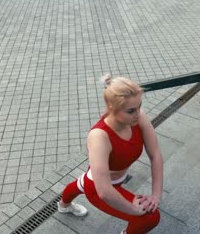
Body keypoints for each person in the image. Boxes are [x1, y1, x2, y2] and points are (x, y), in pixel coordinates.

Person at [57, 75, 163, 234]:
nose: (138, 114)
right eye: (131, 111)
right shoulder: (99, 136)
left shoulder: (137, 118)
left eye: (139, 107)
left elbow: (155, 155)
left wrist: (156, 195)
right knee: (150, 217)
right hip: (99, 188)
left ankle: (63, 205)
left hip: (108, 178)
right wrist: (133, 210)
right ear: (112, 108)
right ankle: (64, 205)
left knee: (82, 182)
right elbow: (105, 191)